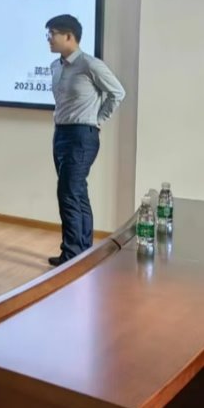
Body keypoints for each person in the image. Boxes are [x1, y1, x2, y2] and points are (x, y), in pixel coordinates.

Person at [45, 14, 125, 266]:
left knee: (68, 192)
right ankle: (81, 252)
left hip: (82, 135)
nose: (49, 39)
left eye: (53, 34)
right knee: (76, 192)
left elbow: (117, 92)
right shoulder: (56, 66)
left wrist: (97, 119)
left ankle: (72, 256)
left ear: (69, 36)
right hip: (61, 133)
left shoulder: (90, 64)